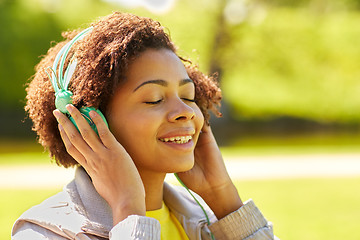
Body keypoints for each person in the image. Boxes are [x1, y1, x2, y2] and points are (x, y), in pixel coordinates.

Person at [12, 12, 276, 239]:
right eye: (154, 99)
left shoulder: (207, 218)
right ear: (87, 123)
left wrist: (224, 200)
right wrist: (128, 209)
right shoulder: (45, 232)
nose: (185, 112)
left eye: (188, 96)